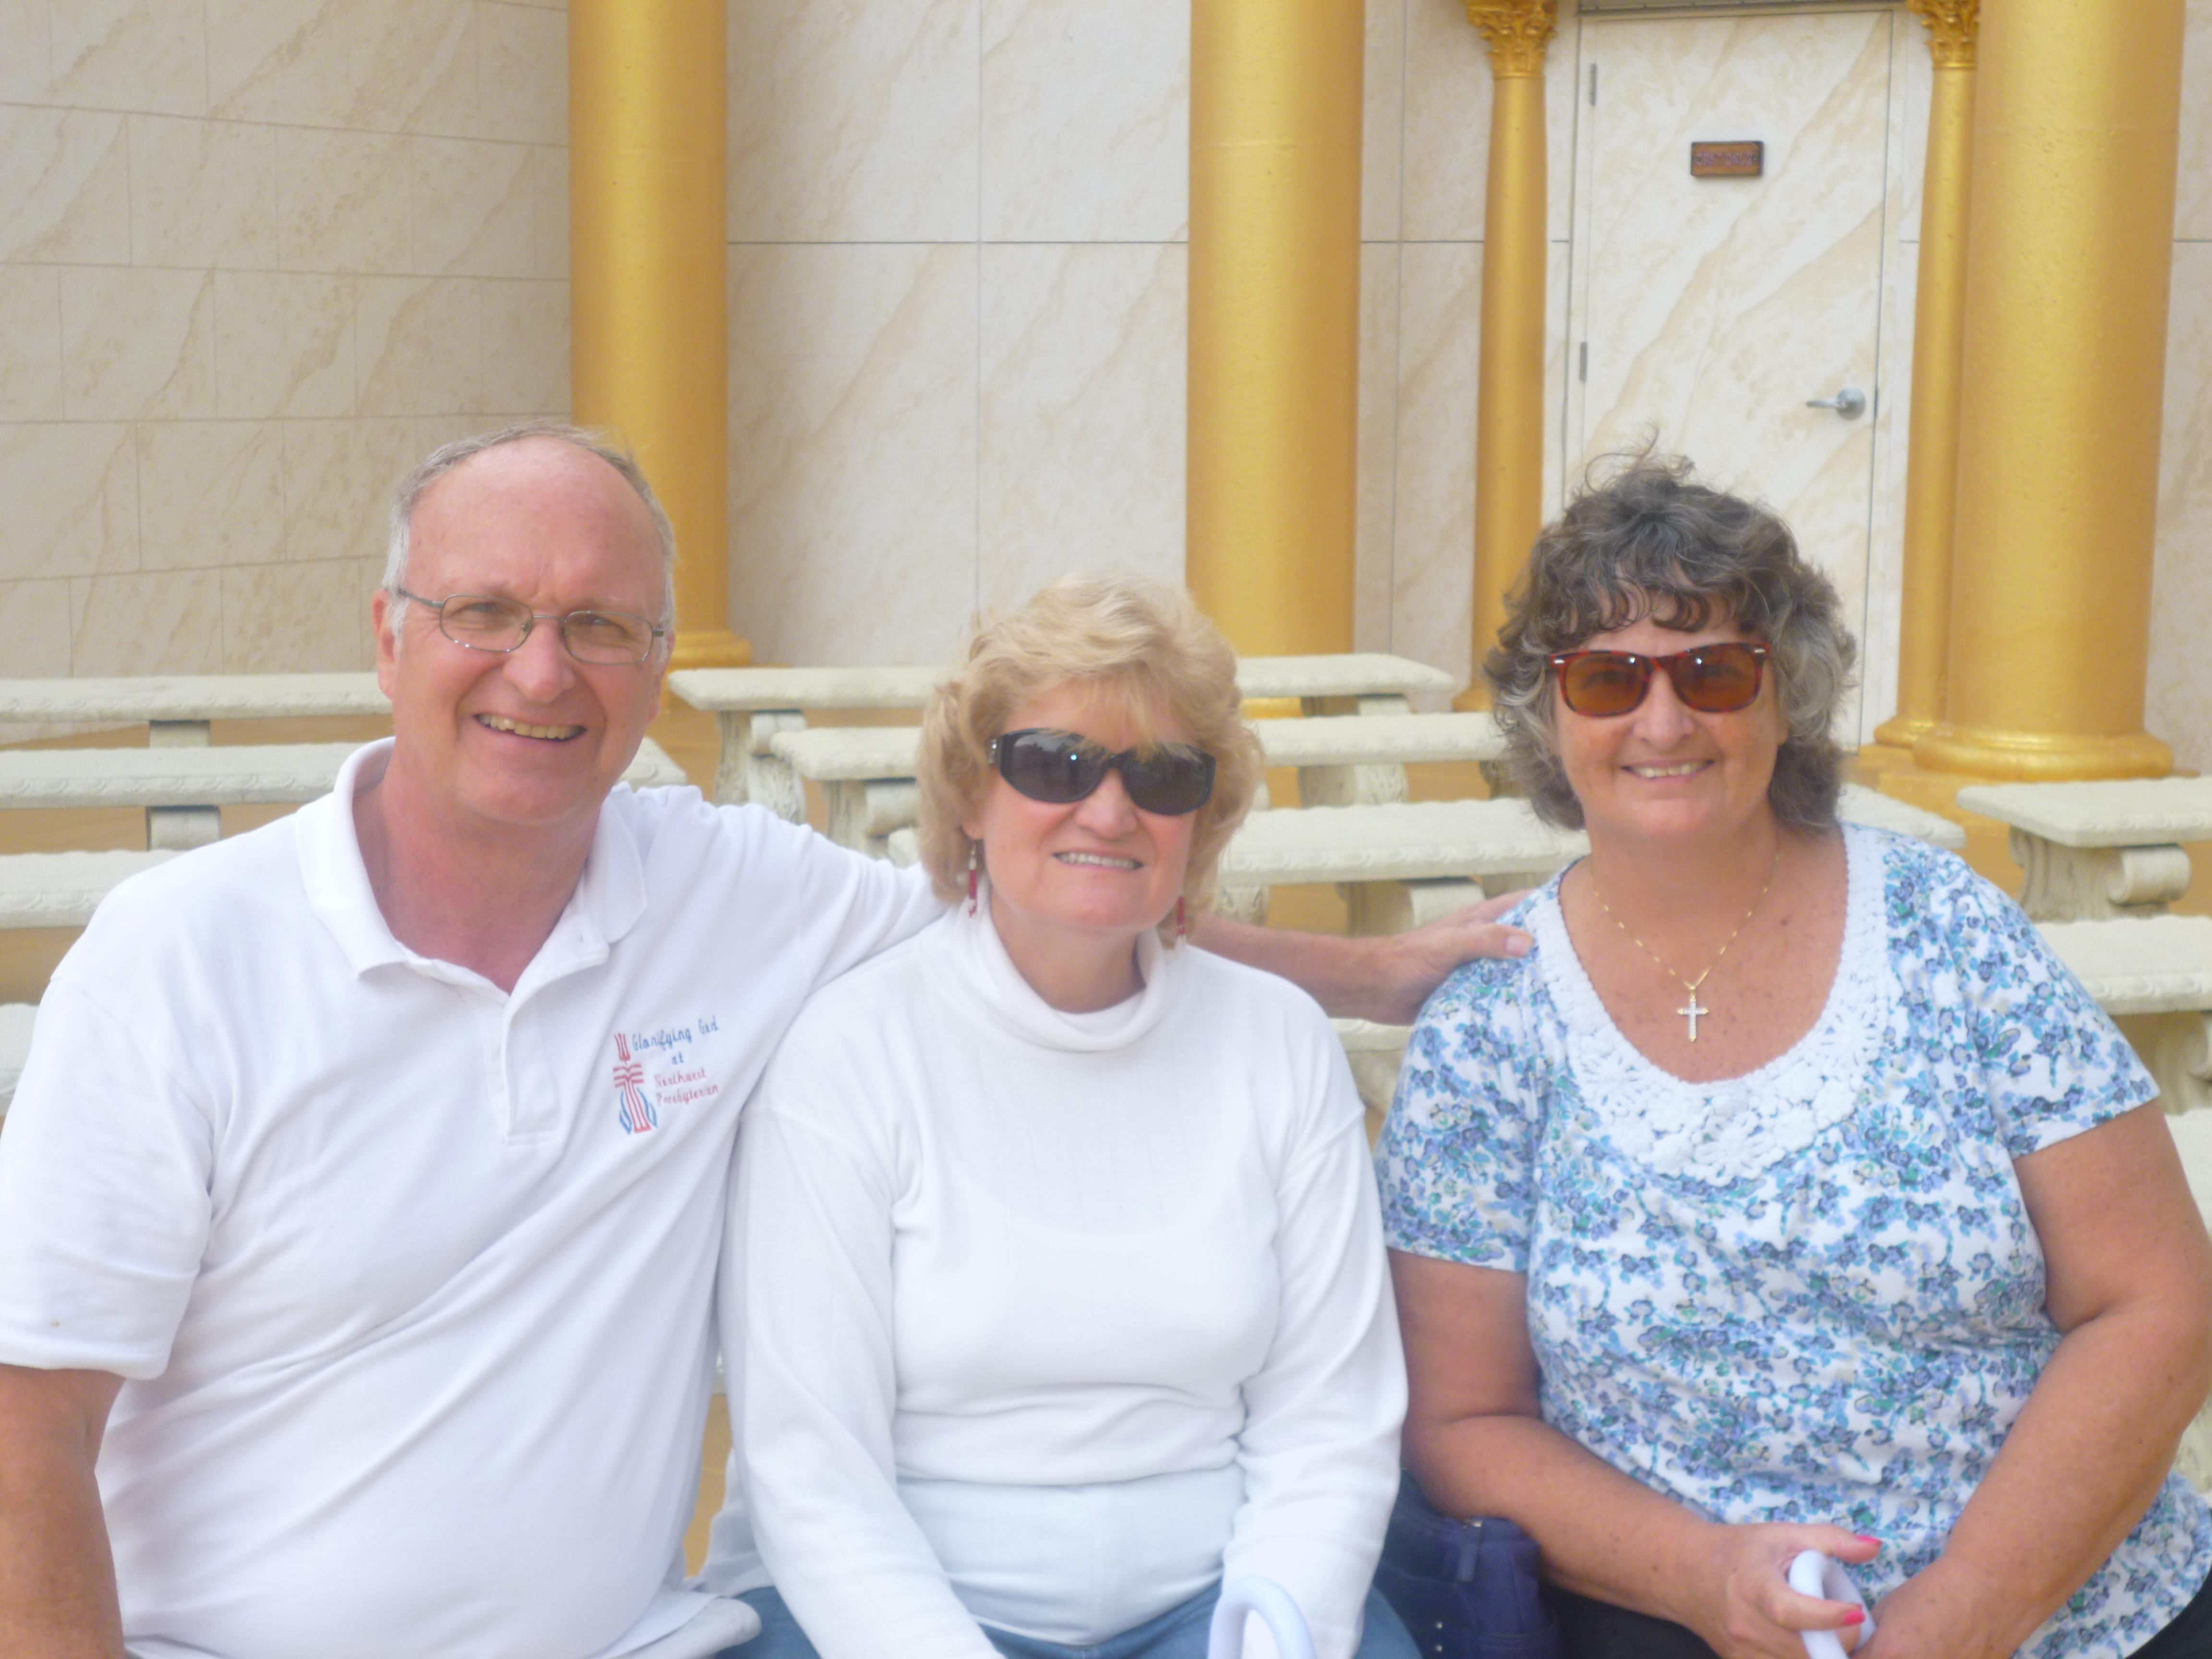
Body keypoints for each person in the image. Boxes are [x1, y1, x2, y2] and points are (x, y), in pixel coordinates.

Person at [0, 423, 1526, 1659]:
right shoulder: (180, 959)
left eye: (599, 626)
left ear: (657, 665)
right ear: (389, 638)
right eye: (486, 613)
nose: (542, 669)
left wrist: (1360, 974)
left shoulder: (729, 897)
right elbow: (28, 1419)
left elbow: (1057, 906)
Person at [1376, 457, 2212, 1659]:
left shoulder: (1948, 928)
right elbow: (1464, 1421)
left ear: (1788, 694)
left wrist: (1964, 1614)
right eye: (1607, 679)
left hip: (2073, 1607)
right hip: (1679, 1620)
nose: (1663, 722)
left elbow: (2155, 1302)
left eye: (1714, 672)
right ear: (1547, 718)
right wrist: (1700, 1577)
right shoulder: (1490, 1025)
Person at [695, 575, 1419, 1659]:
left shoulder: (1281, 1044)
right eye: (1053, 764)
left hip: (1214, 1609)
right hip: (879, 1616)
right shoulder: (848, 1053)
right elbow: (814, 1471)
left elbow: (1332, 1419)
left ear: (1201, 818)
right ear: (969, 797)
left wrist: (1267, 1639)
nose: (1110, 810)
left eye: (1163, 776)